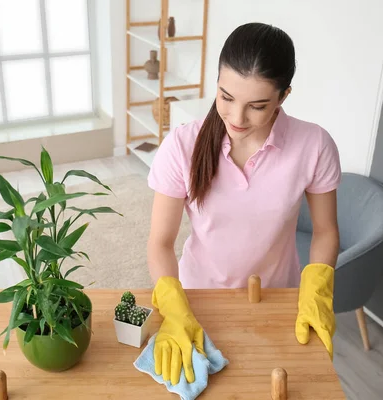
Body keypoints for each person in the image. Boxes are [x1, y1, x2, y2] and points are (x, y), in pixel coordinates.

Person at [146, 22, 341, 385]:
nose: (236, 118)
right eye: (226, 97)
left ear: (283, 96)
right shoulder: (182, 146)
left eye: (257, 106)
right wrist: (173, 305)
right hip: (195, 301)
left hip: (277, 301)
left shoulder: (314, 145)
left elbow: (326, 231)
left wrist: (317, 287)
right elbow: (160, 243)